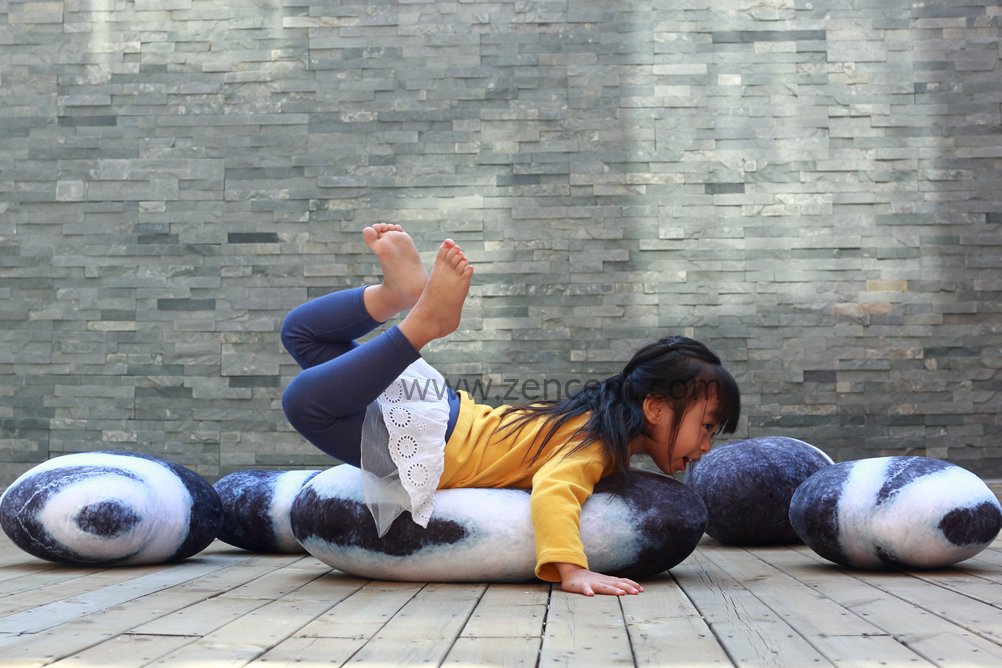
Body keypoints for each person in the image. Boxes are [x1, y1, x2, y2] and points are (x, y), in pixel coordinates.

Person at [280, 224, 741, 597]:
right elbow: (555, 494)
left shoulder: (586, 414)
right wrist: (572, 570)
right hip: (431, 444)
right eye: (705, 427)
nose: (704, 447)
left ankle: (396, 296)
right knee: (304, 404)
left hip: (441, 406)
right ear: (656, 408)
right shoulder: (595, 444)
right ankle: (421, 324)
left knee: (302, 334)